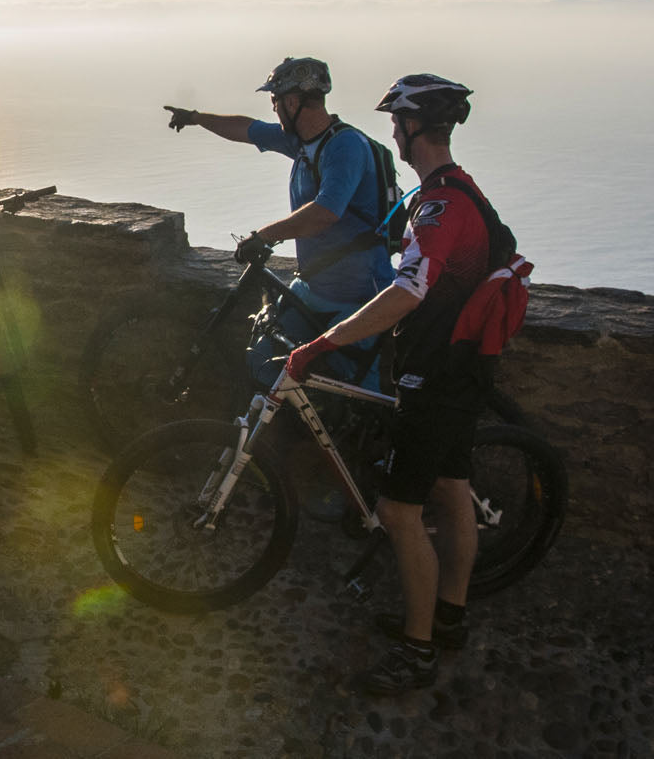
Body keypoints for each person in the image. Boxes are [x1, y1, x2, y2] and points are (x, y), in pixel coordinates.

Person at [282, 73, 491, 696]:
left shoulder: (439, 206)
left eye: (398, 123)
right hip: (467, 368)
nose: (392, 133)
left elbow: (406, 292)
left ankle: (417, 650)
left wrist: (324, 342)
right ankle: (448, 617)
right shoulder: (460, 189)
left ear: (415, 128)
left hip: (435, 375)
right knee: (454, 489)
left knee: (400, 512)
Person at [163, 56, 395, 391]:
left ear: (292, 101)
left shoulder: (345, 146)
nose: (273, 109)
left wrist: (265, 235)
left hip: (357, 296)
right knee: (263, 360)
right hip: (313, 286)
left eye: (274, 100)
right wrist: (196, 118)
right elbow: (246, 129)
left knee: (353, 390)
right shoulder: (300, 140)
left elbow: (325, 212)